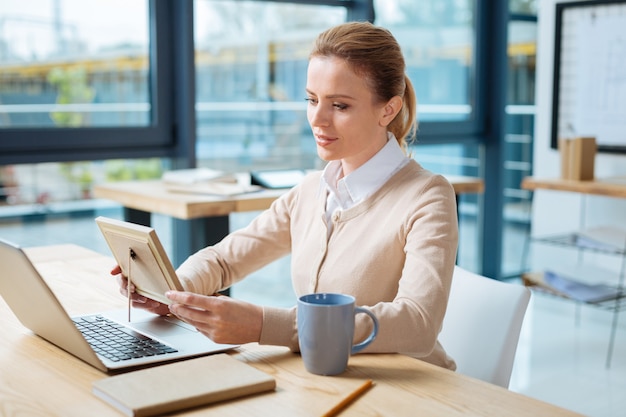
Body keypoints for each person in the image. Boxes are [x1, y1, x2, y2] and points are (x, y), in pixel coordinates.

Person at [112, 21, 458, 370]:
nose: (317, 119)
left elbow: (418, 323)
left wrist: (267, 325)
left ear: (389, 109)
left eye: (339, 105)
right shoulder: (312, 190)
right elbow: (225, 260)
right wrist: (173, 293)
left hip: (411, 389)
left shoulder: (427, 196)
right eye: (311, 99)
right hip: (327, 377)